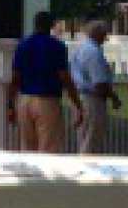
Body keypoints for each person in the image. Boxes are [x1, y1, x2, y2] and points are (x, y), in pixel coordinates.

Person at [7, 11, 83, 153]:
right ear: (51, 25)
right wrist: (77, 104)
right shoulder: (57, 46)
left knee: (27, 149)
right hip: (47, 100)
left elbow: (15, 78)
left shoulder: (23, 45)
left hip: (24, 99)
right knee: (48, 149)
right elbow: (65, 77)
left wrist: (10, 105)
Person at [70, 20, 119, 154]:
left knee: (84, 139)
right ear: (99, 34)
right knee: (91, 141)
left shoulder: (80, 49)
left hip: (80, 97)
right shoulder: (93, 53)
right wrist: (114, 98)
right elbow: (100, 84)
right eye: (104, 35)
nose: (105, 39)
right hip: (92, 100)